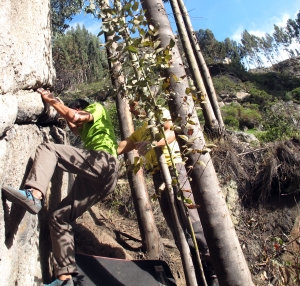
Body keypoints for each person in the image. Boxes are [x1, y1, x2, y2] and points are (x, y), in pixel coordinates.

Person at [2, 88, 119, 286]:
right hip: (104, 179)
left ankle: (34, 194)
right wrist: (61, 111)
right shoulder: (89, 129)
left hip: (102, 162)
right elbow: (73, 123)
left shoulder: (96, 108)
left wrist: (51, 102)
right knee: (59, 217)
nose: (72, 124)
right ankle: (65, 278)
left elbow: (73, 116)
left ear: (80, 107)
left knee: (49, 149)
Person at [117, 101, 219, 286]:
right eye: (130, 107)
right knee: (177, 228)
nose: (131, 109)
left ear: (143, 101)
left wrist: (152, 145)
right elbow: (124, 145)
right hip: (157, 177)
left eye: (133, 104)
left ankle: (214, 272)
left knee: (192, 223)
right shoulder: (140, 130)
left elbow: (172, 133)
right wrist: (106, 151)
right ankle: (197, 277)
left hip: (175, 170)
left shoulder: (159, 112)